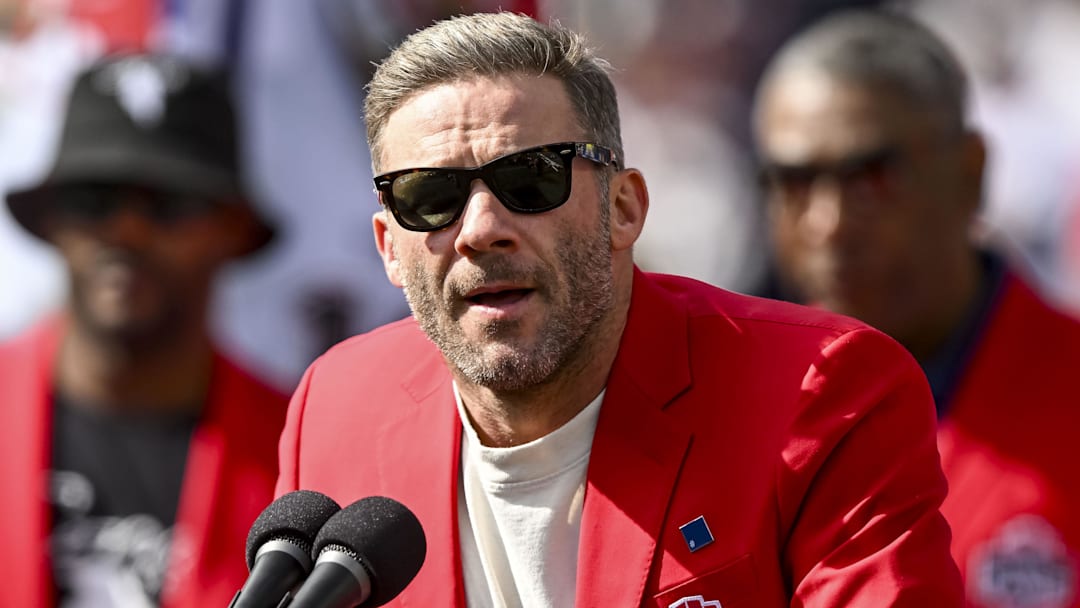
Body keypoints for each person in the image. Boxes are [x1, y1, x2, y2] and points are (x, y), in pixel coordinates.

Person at [275, 12, 962, 607]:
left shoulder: (826, 393)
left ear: (624, 208)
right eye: (428, 196)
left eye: (530, 178)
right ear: (389, 247)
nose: (481, 227)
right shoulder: (333, 410)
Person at [753, 9, 1080, 607]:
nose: (830, 223)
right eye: (796, 182)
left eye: (871, 178)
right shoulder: (728, 418)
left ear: (970, 172)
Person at [0, 52, 289, 607]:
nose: (126, 231)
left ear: (233, 227)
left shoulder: (298, 454)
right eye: (94, 200)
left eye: (169, 206)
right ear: (54, 220)